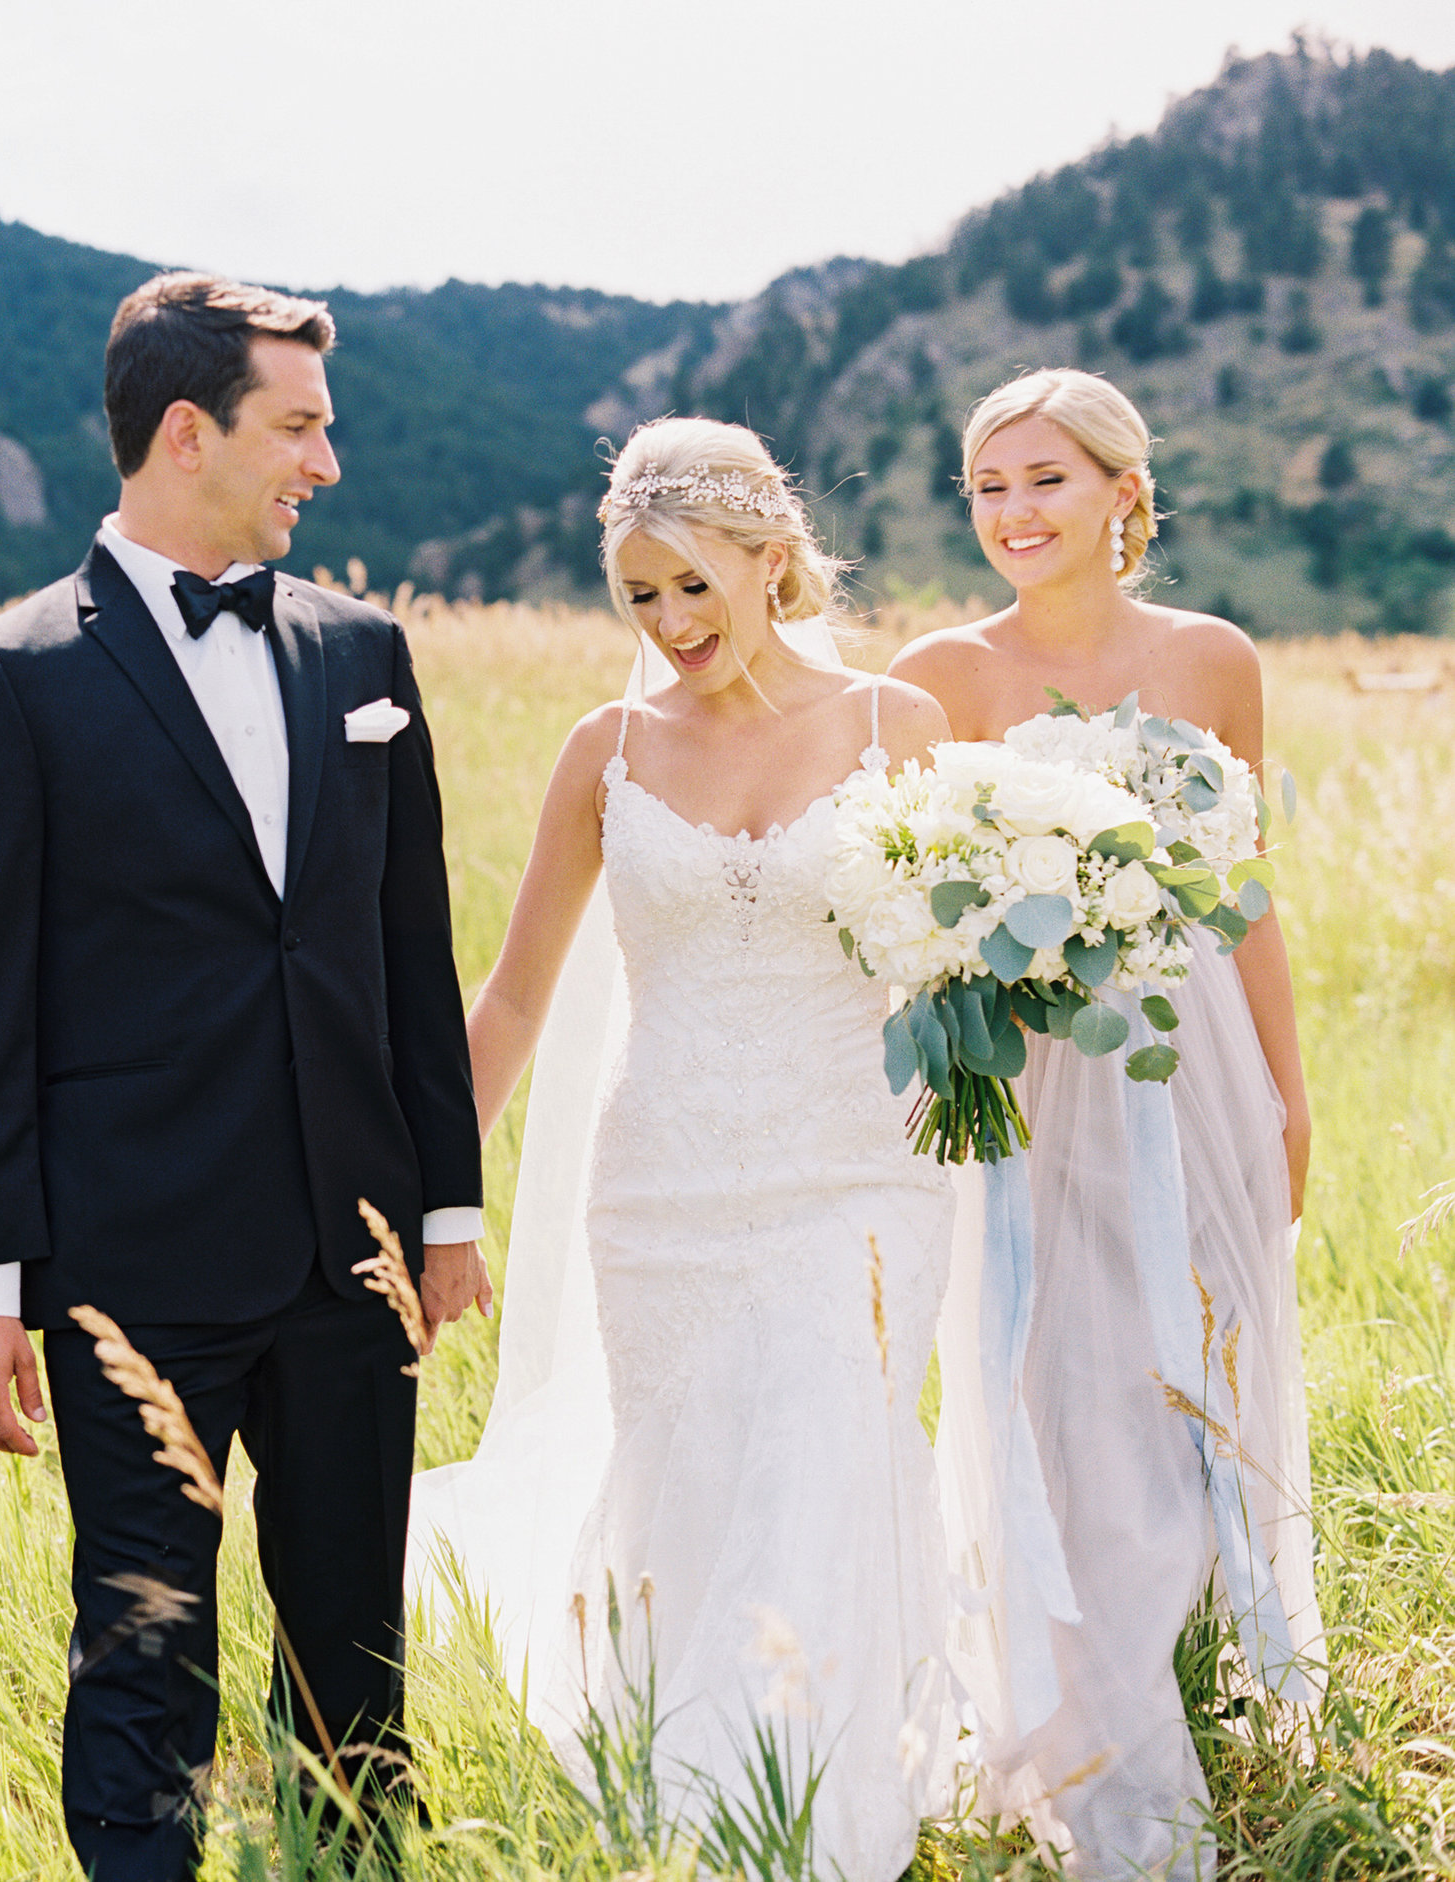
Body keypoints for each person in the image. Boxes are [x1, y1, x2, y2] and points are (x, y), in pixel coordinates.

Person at [0, 272, 486, 1881]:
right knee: (145, 1642)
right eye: (299, 425)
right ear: (187, 431)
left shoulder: (364, 646)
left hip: (351, 1242)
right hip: (132, 1256)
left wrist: (445, 1199)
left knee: (353, 1649)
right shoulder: (9, 675)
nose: (328, 460)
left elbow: (406, 949)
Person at [412, 418, 958, 1881]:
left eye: (694, 587)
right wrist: (436, 1189)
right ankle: (692, 1774)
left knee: (826, 1445)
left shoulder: (900, 727)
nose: (669, 625)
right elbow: (518, 991)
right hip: (659, 1180)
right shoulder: (609, 748)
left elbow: (958, 971)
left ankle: (805, 1811)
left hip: (859, 1168)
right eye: (640, 596)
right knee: (693, 1469)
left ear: (774, 561)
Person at [890, 368, 1323, 1880]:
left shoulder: (1214, 660)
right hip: (1028, 1077)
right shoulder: (940, 671)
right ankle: (1101, 1738)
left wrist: (1287, 1083)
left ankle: (1189, 1658)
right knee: (1057, 1379)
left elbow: (1249, 888)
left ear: (1123, 492)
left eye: (1046, 480)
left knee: (1187, 1357)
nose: (1015, 511)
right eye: (990, 485)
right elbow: (899, 895)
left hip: (1186, 1059)